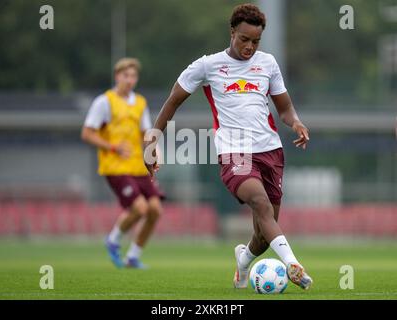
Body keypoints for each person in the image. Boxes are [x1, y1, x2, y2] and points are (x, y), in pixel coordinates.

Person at [144, 4, 313, 289]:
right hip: (234, 151)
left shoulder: (268, 63)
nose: (249, 47)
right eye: (244, 39)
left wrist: (296, 123)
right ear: (232, 32)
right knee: (259, 203)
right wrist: (151, 141)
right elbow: (172, 102)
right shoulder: (207, 66)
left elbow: (284, 108)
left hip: (270, 152)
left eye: (255, 41)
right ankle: (293, 264)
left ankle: (244, 260)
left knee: (263, 232)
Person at [81, 57, 163, 269]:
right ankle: (113, 239)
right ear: (117, 76)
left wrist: (156, 151)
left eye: (133, 76)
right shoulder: (104, 102)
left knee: (155, 210)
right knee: (140, 208)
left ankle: (133, 256)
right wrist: (113, 147)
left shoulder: (140, 103)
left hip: (137, 167)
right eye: (125, 75)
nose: (129, 80)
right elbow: (87, 133)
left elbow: (146, 134)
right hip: (115, 167)